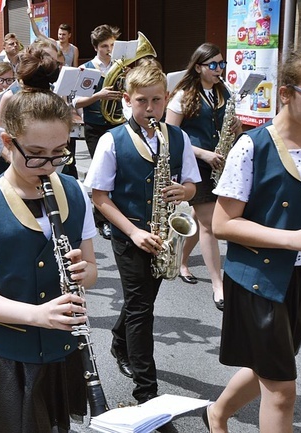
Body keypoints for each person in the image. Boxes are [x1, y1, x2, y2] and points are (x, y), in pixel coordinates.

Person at [0, 47, 97, 432]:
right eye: (34, 154)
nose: (47, 166)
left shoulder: (74, 192)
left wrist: (85, 273)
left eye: (57, 154)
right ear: (6, 143)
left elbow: (93, 269)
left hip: (60, 351)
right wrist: (38, 316)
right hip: (5, 356)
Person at [204, 46, 301, 433]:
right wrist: (296, 239)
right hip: (258, 279)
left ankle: (216, 412)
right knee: (281, 390)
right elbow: (224, 223)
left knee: (273, 366)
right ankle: (218, 413)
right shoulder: (252, 146)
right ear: (285, 93)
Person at [84, 64, 200, 404]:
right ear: (127, 100)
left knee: (142, 301)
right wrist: (134, 232)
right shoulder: (112, 139)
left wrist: (185, 192)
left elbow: (193, 183)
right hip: (129, 235)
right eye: (142, 101)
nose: (150, 109)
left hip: (165, 235)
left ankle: (120, 340)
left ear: (167, 99)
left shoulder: (178, 137)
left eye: (157, 100)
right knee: (141, 308)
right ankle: (146, 393)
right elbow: (99, 197)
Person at [166, 43, 241, 310]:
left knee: (199, 219)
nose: (220, 69)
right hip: (196, 165)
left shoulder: (224, 92)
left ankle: (182, 261)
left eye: (222, 64)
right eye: (214, 65)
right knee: (210, 223)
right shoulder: (183, 96)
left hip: (220, 162)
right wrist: (203, 154)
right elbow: (172, 135)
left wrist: (236, 126)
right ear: (198, 67)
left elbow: (228, 125)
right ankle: (218, 285)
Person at [74, 24, 124, 240]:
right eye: (105, 46)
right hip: (95, 127)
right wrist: (98, 96)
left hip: (117, 124)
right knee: (101, 173)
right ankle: (100, 219)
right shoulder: (88, 70)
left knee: (118, 172)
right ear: (96, 47)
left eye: (112, 45)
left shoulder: (120, 67)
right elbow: (77, 102)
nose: (109, 49)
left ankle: (117, 216)